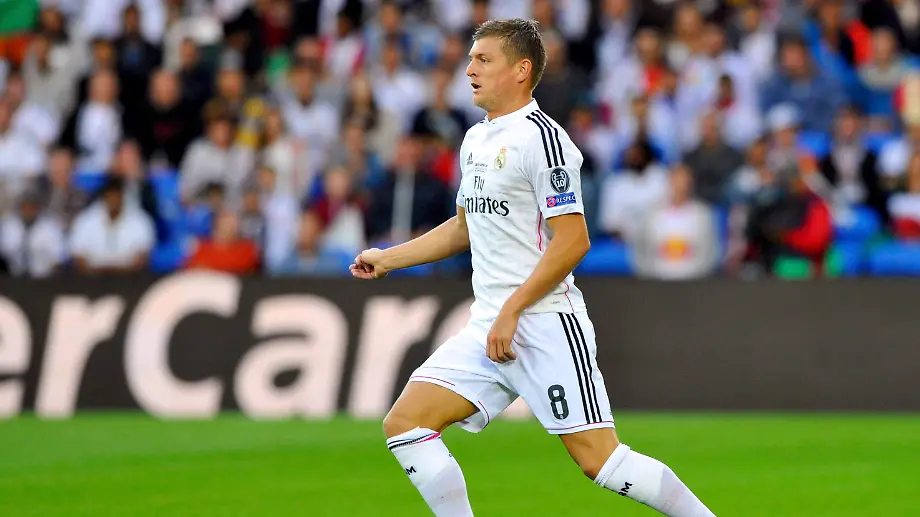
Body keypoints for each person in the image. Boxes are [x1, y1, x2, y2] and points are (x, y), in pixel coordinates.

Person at [351, 19, 716, 517]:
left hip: (544, 323)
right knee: (406, 424)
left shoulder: (544, 140)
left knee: (601, 462)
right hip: (491, 325)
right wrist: (389, 258)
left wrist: (513, 310)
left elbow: (574, 240)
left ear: (521, 70)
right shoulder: (476, 139)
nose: (469, 69)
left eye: (483, 60)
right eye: (471, 59)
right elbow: (463, 227)